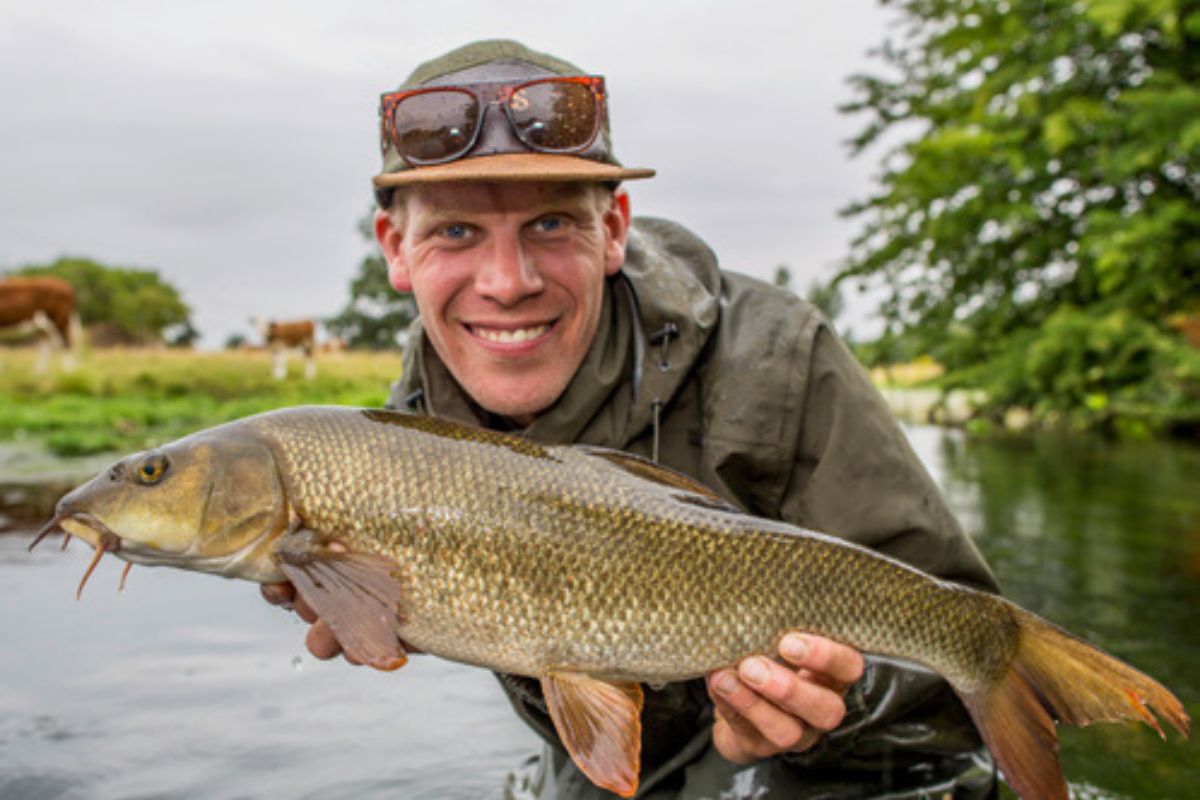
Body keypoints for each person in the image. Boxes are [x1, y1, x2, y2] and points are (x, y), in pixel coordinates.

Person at [262, 39, 1001, 799]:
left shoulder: (776, 357)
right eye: (456, 232)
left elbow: (949, 663)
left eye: (550, 225)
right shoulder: (395, 434)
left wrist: (831, 708)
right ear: (397, 249)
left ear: (613, 229)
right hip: (615, 744)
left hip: (846, 764)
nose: (508, 283)